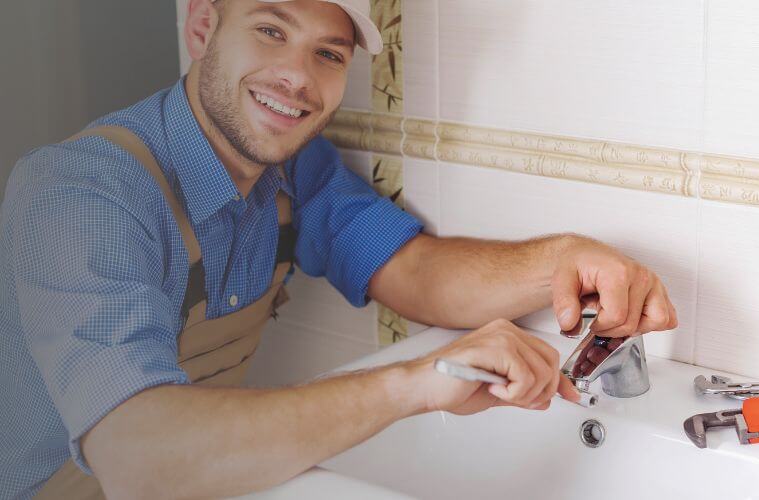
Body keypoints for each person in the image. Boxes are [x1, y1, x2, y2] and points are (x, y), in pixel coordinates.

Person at [0, 0, 678, 498]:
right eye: (271, 30)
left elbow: (414, 271)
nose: (298, 79)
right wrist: (418, 381)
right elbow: (135, 457)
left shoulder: (289, 166)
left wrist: (567, 260)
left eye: (327, 53)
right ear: (202, 27)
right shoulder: (81, 194)